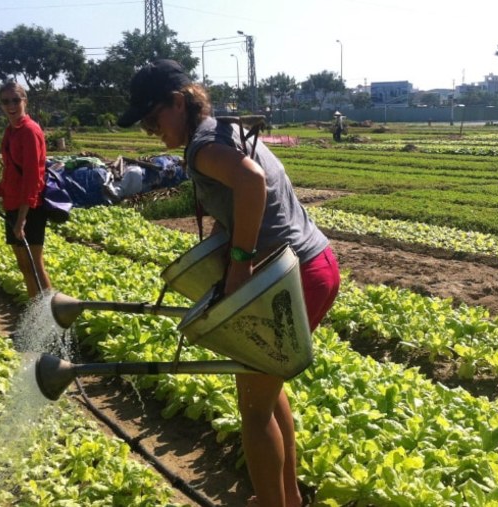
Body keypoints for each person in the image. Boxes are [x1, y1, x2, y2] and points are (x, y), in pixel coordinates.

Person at [117, 60, 341, 507]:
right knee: (265, 392)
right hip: (314, 264)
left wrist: (239, 264)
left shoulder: (203, 146)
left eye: (152, 118)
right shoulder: (223, 128)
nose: (149, 131)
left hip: (287, 278)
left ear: (178, 102)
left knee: (253, 411)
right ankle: (287, 499)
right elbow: (246, 196)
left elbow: (251, 182)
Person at [0, 81, 52, 299]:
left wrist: (22, 219)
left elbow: (32, 178)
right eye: (6, 101)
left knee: (35, 264)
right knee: (24, 265)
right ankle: (34, 314)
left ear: (24, 101)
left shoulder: (29, 131)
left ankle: (50, 318)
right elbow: (10, 176)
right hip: (13, 206)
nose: (11, 105)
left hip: (30, 207)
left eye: (15, 100)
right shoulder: (10, 131)